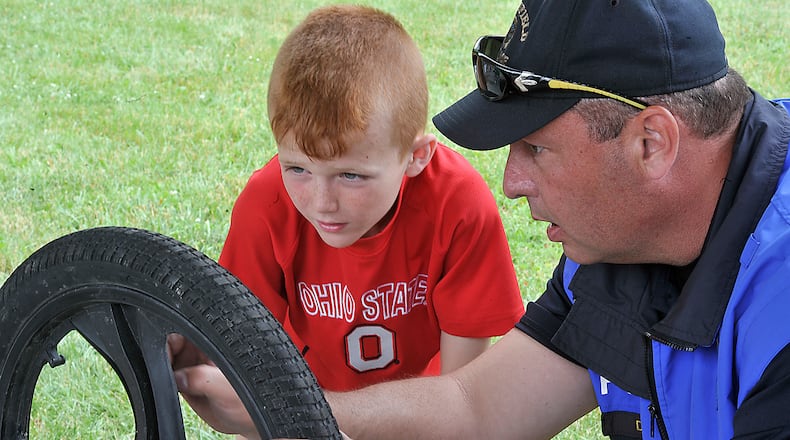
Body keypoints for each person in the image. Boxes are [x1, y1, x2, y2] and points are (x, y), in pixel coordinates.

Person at [172, 0, 790, 438]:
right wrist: (267, 403)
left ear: (651, 142)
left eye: (536, 149)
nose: (511, 183)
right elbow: (476, 410)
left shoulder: (779, 306)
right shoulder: (623, 242)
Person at [176, 3, 524, 399]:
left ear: (416, 157)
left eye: (350, 175)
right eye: (297, 169)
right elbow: (246, 379)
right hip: (302, 412)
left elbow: (464, 391)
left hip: (426, 414)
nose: (322, 202)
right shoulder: (266, 205)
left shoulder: (458, 205)